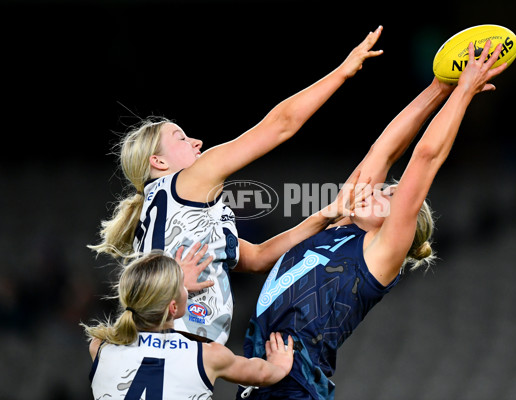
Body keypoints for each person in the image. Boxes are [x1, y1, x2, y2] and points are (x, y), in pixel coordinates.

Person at [237, 41, 509, 399]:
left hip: (298, 383)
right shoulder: (340, 226)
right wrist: (437, 89)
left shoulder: (380, 253)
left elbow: (425, 158)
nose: (379, 191)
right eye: (385, 189)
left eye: (391, 197)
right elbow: (382, 151)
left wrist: (464, 92)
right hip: (261, 378)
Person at [88, 27, 384, 344]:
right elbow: (281, 125)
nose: (197, 142)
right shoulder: (187, 183)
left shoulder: (173, 210)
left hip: (168, 351)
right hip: (177, 350)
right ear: (158, 163)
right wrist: (342, 72)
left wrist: (323, 216)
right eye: (181, 138)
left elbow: (256, 257)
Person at [81, 251, 295, 399]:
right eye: (181, 287)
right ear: (172, 308)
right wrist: (280, 365)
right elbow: (261, 373)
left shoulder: (100, 346)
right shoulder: (207, 355)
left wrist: (170, 289)